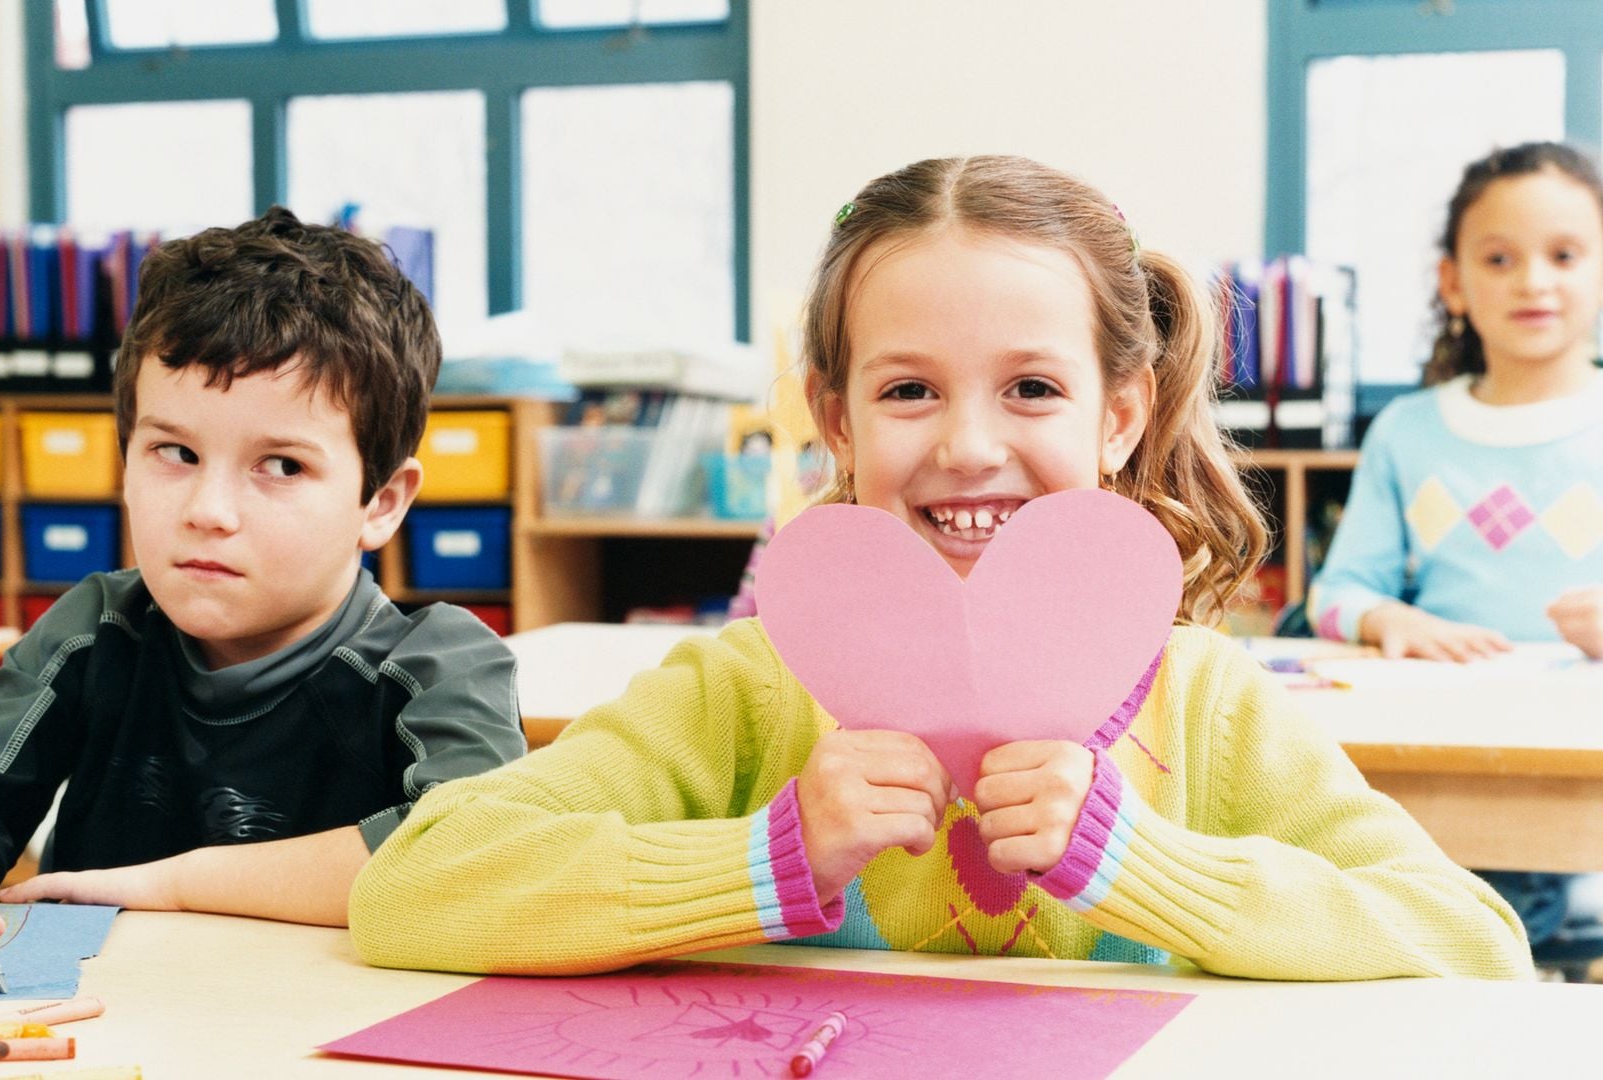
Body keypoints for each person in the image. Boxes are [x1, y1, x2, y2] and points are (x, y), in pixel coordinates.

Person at [348, 155, 1531, 982]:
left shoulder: (1202, 703)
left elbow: (1474, 941)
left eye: (1033, 388)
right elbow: (416, 885)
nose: (969, 446)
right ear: (837, 417)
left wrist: (1143, 865)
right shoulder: (746, 690)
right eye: (909, 389)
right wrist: (767, 861)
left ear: (1120, 414)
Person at [0, 207, 525, 991]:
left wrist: (169, 886)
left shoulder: (438, 662)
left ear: (382, 502)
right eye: (175, 452)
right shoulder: (97, 630)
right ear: (124, 459)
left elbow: (471, 853)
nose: (210, 510)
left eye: (282, 466)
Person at [1310, 142, 1603, 949]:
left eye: (1565, 255)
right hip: (1451, 750)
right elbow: (1333, 595)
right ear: (1454, 283)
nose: (1534, 280)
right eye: (1500, 258)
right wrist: (1386, 621)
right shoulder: (1408, 432)